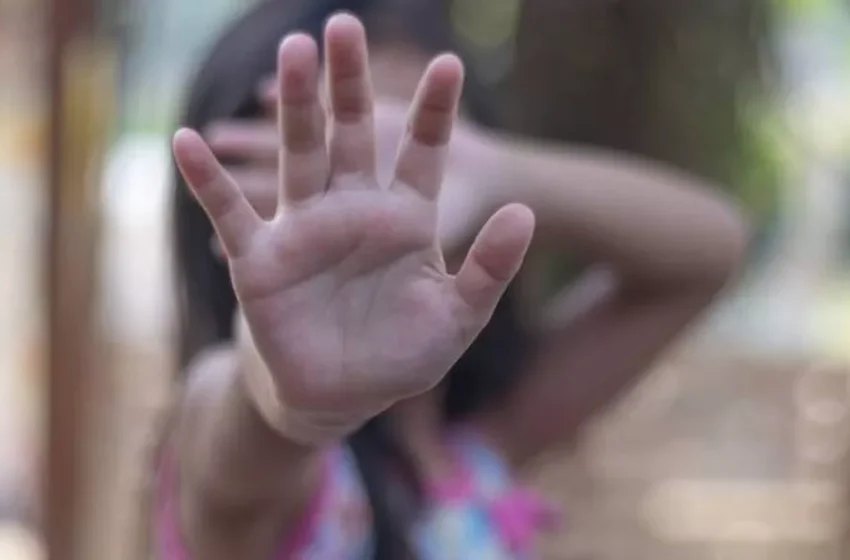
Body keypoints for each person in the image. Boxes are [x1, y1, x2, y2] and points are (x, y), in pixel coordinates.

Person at [159, 2, 749, 558]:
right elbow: (237, 422)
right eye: (344, 154)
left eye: (423, 145)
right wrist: (289, 399)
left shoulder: (481, 444)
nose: (383, 202)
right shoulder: (244, 457)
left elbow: (713, 246)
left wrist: (499, 170)